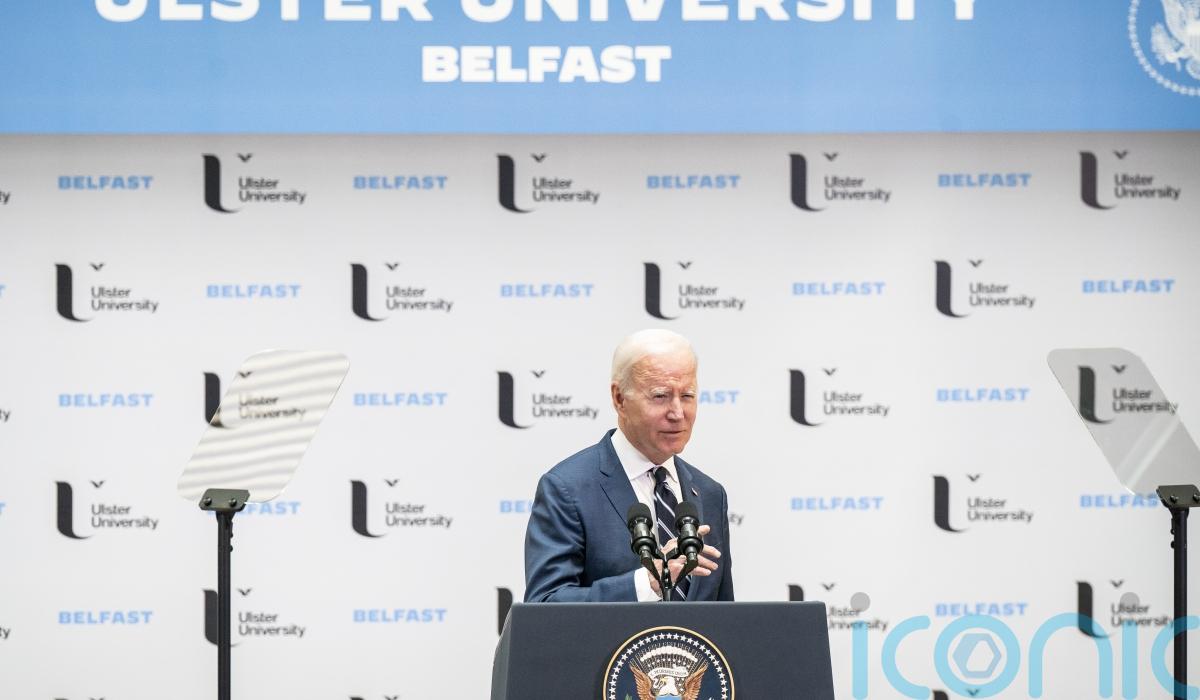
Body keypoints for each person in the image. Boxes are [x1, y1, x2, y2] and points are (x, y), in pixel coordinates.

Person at [523, 329, 734, 602]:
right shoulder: (567, 489)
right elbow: (545, 604)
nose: (677, 413)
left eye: (687, 396)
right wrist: (646, 584)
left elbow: (724, 615)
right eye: (660, 396)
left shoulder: (710, 493)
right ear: (619, 399)